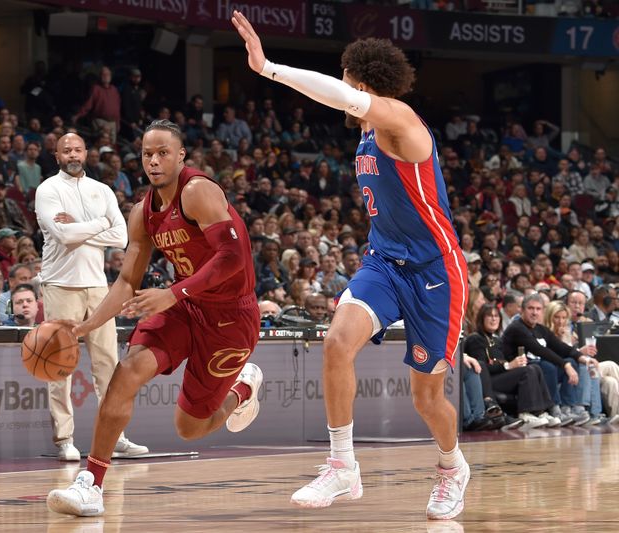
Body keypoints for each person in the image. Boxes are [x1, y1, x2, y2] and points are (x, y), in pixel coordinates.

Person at [232, 12, 469, 519]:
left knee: (427, 399)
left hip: (435, 269)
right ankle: (342, 465)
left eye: (346, 80)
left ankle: (452, 467)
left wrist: (269, 67)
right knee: (337, 342)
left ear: (360, 83)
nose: (340, 89)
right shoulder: (364, 136)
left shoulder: (401, 122)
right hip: (384, 262)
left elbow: (340, 96)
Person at [46, 120, 263, 517]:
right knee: (126, 372)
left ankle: (242, 390)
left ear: (181, 155)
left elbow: (233, 259)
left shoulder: (198, 192)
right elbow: (128, 281)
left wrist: (172, 293)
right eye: (148, 153)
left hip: (230, 317)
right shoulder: (142, 212)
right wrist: (86, 326)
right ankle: (91, 484)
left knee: (190, 428)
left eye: (163, 152)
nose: (154, 160)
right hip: (183, 306)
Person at [35, 132, 147, 462]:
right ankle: (64, 440)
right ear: (57, 156)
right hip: (60, 284)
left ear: (86, 153)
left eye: (78, 149)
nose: (73, 154)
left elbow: (122, 237)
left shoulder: (101, 190)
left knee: (108, 366)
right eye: (66, 150)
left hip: (99, 286)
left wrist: (84, 226)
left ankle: (116, 437)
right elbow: (64, 235)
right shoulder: (48, 190)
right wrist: (100, 225)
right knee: (58, 365)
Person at [502, 293, 592, 426]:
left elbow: (560, 347)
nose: (534, 312)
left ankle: (566, 407)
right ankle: (552, 408)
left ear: (542, 311)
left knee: (572, 362)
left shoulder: (541, 329)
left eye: (538, 309)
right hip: (520, 369)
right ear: (522, 309)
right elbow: (539, 350)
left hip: (539, 367)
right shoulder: (517, 328)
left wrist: (582, 358)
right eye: (530, 308)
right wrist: (565, 365)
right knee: (549, 365)